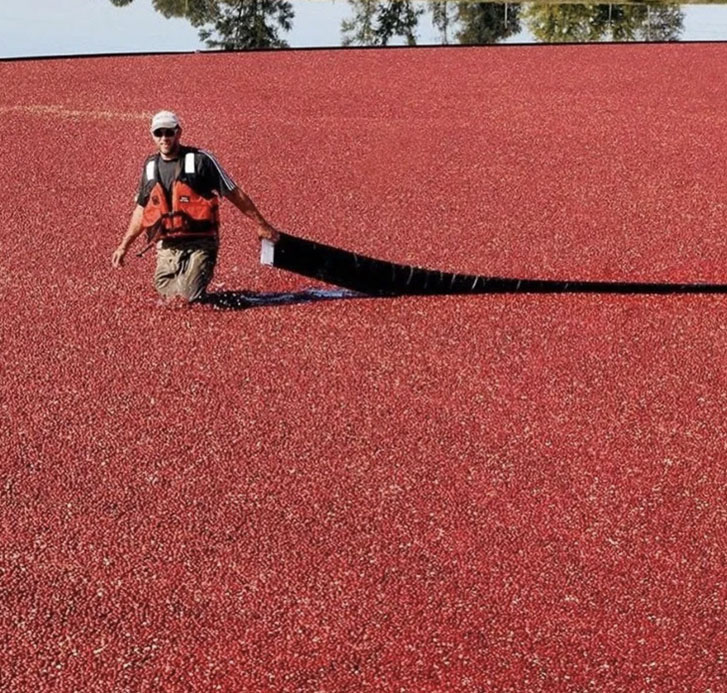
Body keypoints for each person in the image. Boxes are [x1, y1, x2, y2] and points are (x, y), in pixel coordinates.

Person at [112, 110, 279, 302]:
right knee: (167, 294)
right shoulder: (150, 167)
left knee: (189, 296)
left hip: (201, 242)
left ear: (179, 132)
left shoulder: (201, 160)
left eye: (169, 132)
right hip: (168, 244)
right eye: (159, 133)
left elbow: (234, 193)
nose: (164, 138)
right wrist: (124, 246)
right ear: (152, 136)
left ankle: (208, 291)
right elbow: (142, 210)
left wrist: (261, 223)